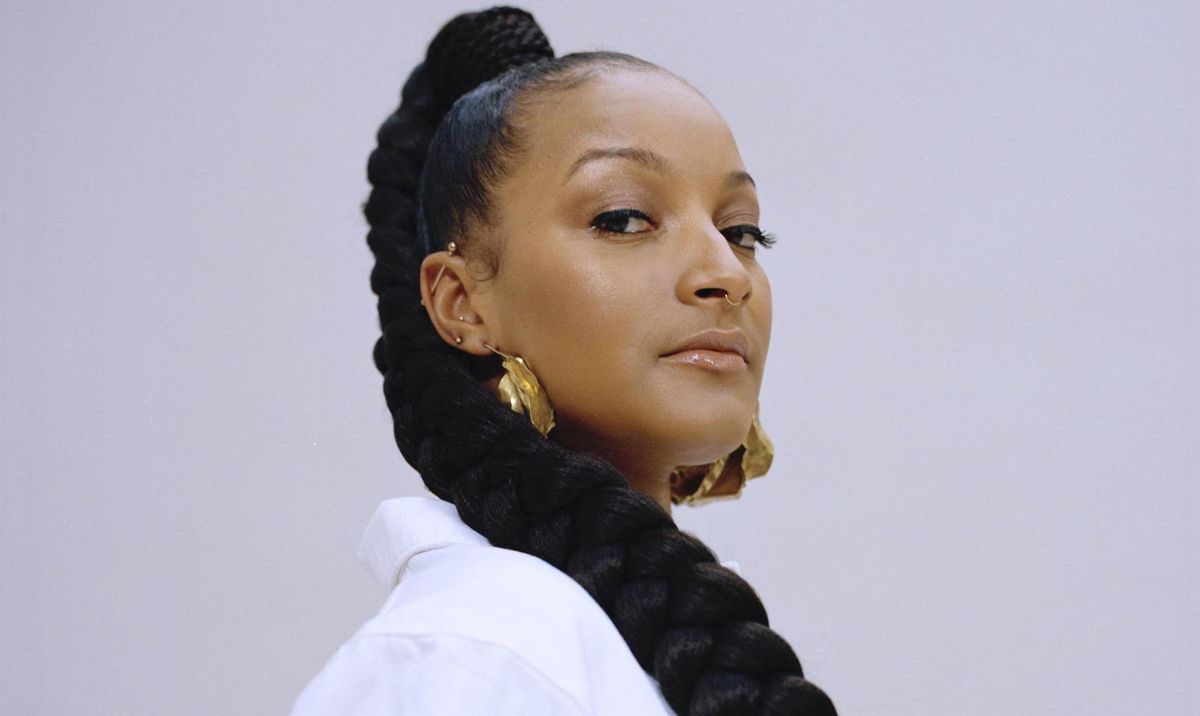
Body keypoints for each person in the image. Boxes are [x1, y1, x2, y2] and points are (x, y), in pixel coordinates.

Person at [290, 6, 836, 715]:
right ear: (462, 303)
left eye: (741, 231)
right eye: (623, 219)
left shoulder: (588, 643)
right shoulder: (472, 661)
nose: (727, 273)